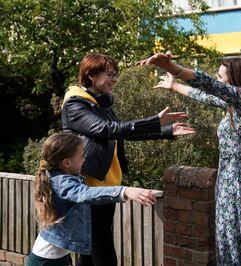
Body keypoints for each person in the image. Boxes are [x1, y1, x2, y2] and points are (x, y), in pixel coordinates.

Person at [61, 53, 195, 266]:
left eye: (116, 74)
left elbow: (122, 132)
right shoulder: (75, 105)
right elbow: (106, 130)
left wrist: (166, 130)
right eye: (109, 74)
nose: (114, 79)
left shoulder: (100, 105)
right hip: (88, 188)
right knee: (104, 256)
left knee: (89, 256)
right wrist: (153, 121)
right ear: (91, 75)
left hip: (105, 185)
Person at [138, 53, 241, 265]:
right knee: (227, 237)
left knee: (237, 238)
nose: (217, 80)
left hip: (238, 182)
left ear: (235, 77)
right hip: (228, 178)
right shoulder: (234, 103)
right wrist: (173, 85)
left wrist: (174, 68)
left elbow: (209, 86)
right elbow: (204, 95)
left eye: (221, 76)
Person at [25, 133, 157, 266]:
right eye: (82, 156)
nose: (84, 159)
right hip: (46, 261)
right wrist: (125, 191)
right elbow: (84, 193)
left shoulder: (63, 176)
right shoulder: (62, 182)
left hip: (57, 257)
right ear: (67, 163)